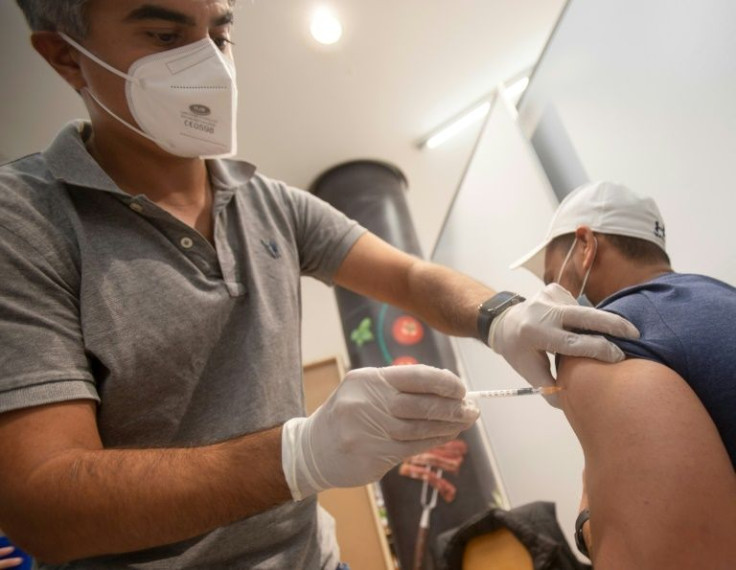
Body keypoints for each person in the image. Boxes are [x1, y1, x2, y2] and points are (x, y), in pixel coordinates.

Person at [0, 2, 638, 568]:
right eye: (166, 35)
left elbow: (411, 276)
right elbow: (42, 505)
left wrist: (500, 315)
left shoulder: (270, 204)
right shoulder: (25, 221)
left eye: (219, 35)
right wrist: (299, 454)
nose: (208, 64)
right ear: (65, 55)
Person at [511, 180, 736, 569]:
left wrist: (588, 524)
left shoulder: (600, 338)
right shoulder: (721, 298)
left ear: (585, 246)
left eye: (551, 277)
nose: (550, 292)